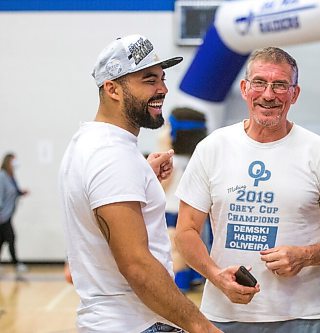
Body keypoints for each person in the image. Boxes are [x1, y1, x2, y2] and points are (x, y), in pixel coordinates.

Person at [174, 46, 320, 332]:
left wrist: (304, 256)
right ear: (245, 88)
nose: (269, 94)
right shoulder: (213, 148)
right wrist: (215, 276)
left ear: (294, 94)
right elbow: (186, 232)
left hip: (300, 317)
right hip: (223, 315)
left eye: (280, 85)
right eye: (260, 82)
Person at [58, 34, 221, 333]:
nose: (162, 89)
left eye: (162, 78)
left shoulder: (90, 142)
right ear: (112, 89)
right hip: (134, 323)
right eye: (149, 80)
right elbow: (137, 265)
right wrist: (202, 327)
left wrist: (142, 178)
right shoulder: (112, 156)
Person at [162, 107, 208, 292]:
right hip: (190, 213)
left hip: (172, 213)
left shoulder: (169, 161)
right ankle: (187, 280)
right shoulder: (198, 160)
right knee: (182, 250)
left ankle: (176, 287)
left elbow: (159, 187)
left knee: (174, 251)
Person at [0, 153, 29, 273]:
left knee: (1, 240)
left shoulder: (11, 176)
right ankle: (16, 263)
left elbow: (13, 192)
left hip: (8, 215)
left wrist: (21, 193)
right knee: (11, 238)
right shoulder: (2, 176)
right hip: (2, 215)